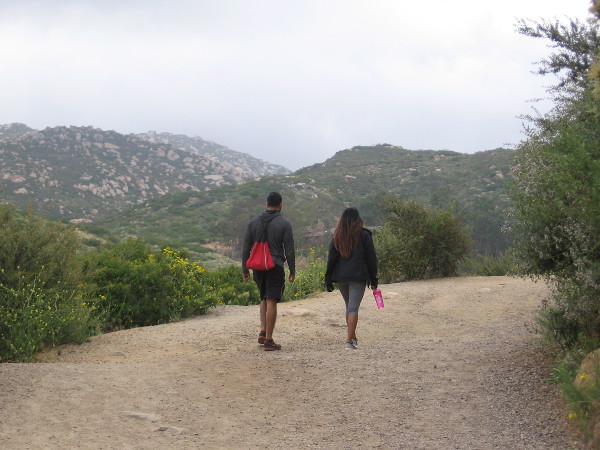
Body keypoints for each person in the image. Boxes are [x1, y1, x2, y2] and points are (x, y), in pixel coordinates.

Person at [242, 192, 295, 351]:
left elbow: (246, 247)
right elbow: (290, 250)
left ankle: (263, 330)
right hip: (275, 265)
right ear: (280, 205)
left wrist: (245, 269)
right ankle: (269, 340)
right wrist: (292, 270)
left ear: (266, 204)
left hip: (258, 266)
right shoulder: (284, 224)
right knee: (271, 299)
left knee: (264, 297)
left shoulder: (253, 222)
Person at [325, 207, 378, 350]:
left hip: (341, 278)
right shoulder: (364, 235)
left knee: (349, 307)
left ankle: (353, 337)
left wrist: (328, 279)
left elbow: (331, 259)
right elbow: (371, 258)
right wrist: (374, 279)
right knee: (353, 308)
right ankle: (349, 341)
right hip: (358, 277)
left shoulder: (337, 236)